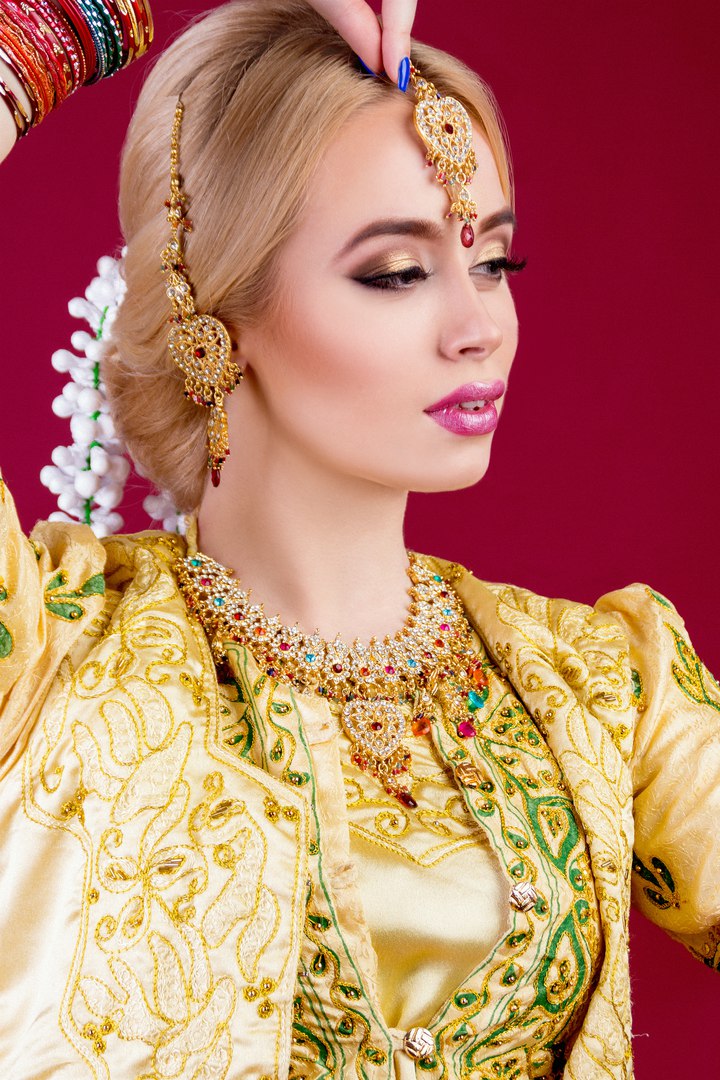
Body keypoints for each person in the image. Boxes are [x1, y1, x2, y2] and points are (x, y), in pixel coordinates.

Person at [0, 1, 718, 1078]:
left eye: (496, 263)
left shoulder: (600, 687)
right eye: (396, 273)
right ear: (215, 311)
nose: (480, 327)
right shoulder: (44, 652)